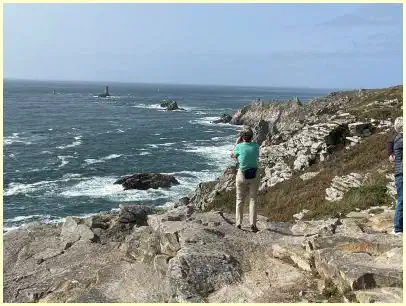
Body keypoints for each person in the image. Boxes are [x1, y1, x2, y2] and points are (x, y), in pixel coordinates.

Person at [231, 127, 260, 232]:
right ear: (252, 137)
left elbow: (232, 156)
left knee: (240, 199)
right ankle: (253, 224)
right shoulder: (256, 146)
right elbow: (256, 155)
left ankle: (238, 223)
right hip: (254, 175)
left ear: (242, 137)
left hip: (242, 175)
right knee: (253, 199)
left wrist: (236, 144)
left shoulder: (239, 146)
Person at [388, 117, 403, 235]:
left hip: (400, 173)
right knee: (402, 200)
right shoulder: (400, 140)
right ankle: (397, 228)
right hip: (402, 174)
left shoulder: (397, 139)